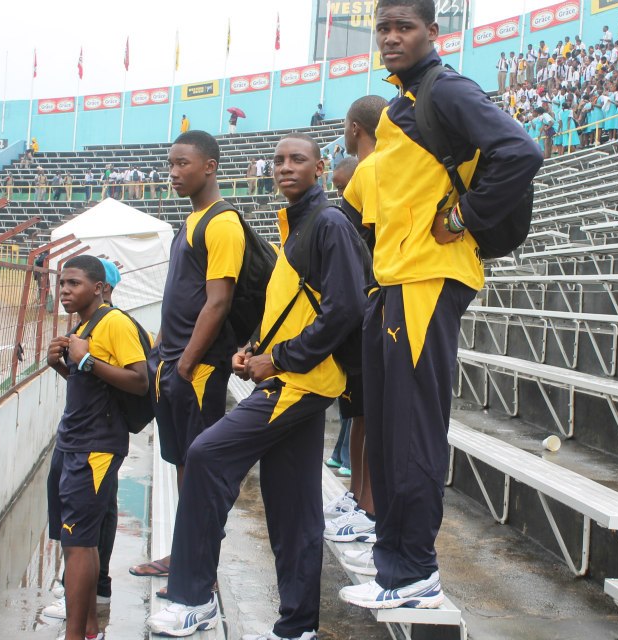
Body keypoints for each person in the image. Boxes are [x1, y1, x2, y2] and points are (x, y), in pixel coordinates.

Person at [340, 0, 543, 612]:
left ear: (432, 31)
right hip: (396, 283)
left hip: (428, 281)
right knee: (387, 433)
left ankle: (415, 574)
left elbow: (521, 151)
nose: (391, 37)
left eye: (404, 27)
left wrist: (462, 218)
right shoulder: (400, 106)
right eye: (383, 28)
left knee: (411, 432)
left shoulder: (445, 89)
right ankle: (393, 566)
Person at [146, 133, 366, 638]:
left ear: (319, 168)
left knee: (205, 455)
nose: (285, 167)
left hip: (300, 383)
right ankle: (298, 626)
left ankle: (192, 598)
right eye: (279, 160)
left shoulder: (328, 223)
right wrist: (254, 348)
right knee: (294, 509)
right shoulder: (297, 226)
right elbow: (295, 309)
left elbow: (346, 308)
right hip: (294, 379)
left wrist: (279, 359)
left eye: (298, 160)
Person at [129, 130, 245, 583]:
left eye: (182, 164)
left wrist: (184, 364)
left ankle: (199, 566)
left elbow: (218, 301)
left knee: (200, 469)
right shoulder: (191, 221)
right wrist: (161, 352)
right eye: (170, 165)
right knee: (183, 465)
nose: (173, 173)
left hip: (195, 370)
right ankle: (185, 556)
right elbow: (179, 296)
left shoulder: (222, 223)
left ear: (209, 167)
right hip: (172, 363)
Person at [46, 254, 148, 640]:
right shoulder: (83, 326)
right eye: (62, 283)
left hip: (95, 448)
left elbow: (139, 380)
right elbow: (90, 385)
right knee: (76, 542)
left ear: (100, 288)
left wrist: (86, 359)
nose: (65, 290)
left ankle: (77, 635)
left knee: (79, 543)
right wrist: (62, 364)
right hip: (72, 442)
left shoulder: (114, 322)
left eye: (74, 283)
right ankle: (89, 629)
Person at [323, 95, 388, 570]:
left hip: (372, 303)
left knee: (370, 413)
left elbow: (364, 241)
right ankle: (358, 496)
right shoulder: (375, 168)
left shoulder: (373, 170)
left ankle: (369, 507)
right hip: (370, 303)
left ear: (354, 128)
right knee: (361, 413)